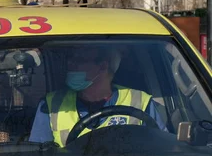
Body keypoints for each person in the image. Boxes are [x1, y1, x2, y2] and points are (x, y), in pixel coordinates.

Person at [29, 48, 166, 147]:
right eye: (70, 59)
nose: (70, 65)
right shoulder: (50, 105)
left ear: (102, 66)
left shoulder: (140, 102)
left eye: (79, 60)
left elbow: (162, 147)